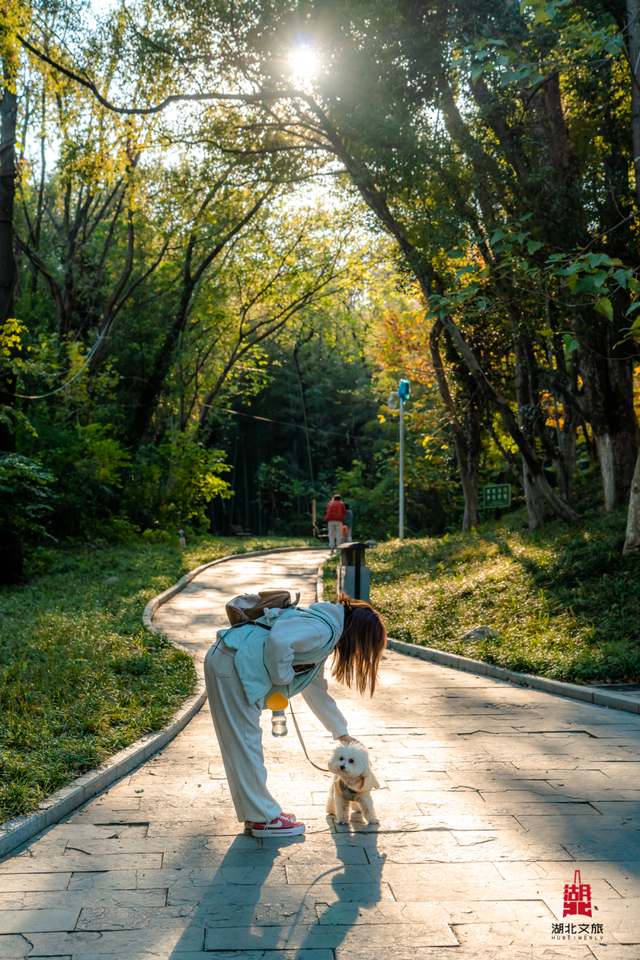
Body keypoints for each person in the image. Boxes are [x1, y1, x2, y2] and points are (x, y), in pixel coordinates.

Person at [204, 594, 387, 838]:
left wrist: (341, 733)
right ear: (360, 636)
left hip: (230, 661)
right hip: (233, 665)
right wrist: (283, 678)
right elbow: (279, 640)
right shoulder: (323, 629)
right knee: (246, 744)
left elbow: (315, 687)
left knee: (241, 746)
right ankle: (264, 819)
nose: (357, 653)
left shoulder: (324, 630)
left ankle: (256, 815)